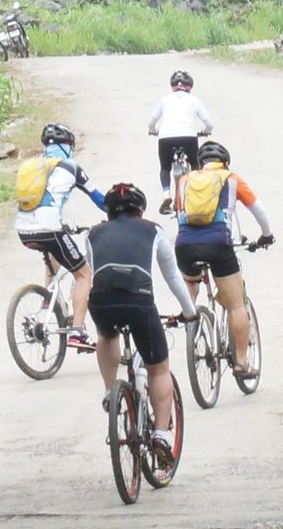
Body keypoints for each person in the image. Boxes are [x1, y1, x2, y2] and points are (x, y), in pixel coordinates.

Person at [87, 183, 198, 466]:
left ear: (108, 212)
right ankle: (161, 435)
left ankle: (111, 392)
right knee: (158, 368)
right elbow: (173, 276)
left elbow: (92, 271)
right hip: (139, 301)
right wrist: (189, 312)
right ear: (141, 210)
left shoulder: (94, 233)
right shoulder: (153, 230)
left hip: (101, 300)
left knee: (106, 334)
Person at [172, 140, 273, 380]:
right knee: (237, 303)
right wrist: (266, 236)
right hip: (218, 244)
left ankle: (191, 320)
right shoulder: (232, 178)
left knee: (192, 282)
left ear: (200, 164)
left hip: (185, 246)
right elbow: (259, 211)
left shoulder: (184, 180)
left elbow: (179, 213)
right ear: (225, 162)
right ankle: (241, 361)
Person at [15, 122, 108, 348]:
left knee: (54, 250)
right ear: (68, 146)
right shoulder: (71, 166)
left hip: (23, 229)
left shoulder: (34, 168)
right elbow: (99, 198)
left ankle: (49, 303)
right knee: (84, 274)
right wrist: (118, 213)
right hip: (49, 227)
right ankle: (77, 331)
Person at [146, 70, 214, 215]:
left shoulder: (164, 100)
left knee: (165, 167)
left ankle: (166, 194)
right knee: (195, 164)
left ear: (172, 87)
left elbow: (151, 122)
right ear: (189, 87)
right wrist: (206, 131)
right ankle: (196, 192)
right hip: (188, 136)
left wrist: (153, 130)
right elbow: (209, 123)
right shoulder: (194, 100)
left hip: (165, 137)